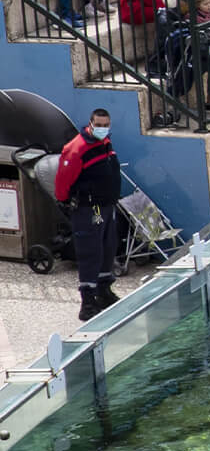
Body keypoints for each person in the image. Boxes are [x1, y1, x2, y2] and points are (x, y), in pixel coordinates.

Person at [55, 108, 122, 321]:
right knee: (91, 250)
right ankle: (88, 301)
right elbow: (63, 180)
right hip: (91, 209)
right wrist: (65, 200)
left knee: (108, 246)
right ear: (90, 124)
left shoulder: (104, 143)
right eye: (99, 125)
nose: (102, 128)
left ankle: (103, 290)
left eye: (106, 125)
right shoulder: (77, 148)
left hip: (106, 206)